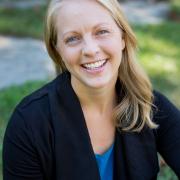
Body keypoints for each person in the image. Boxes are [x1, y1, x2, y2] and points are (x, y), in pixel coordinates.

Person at [3, 0, 180, 179]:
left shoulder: (151, 106)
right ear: (58, 51)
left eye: (102, 32)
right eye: (72, 38)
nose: (90, 49)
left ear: (123, 38)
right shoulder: (29, 124)